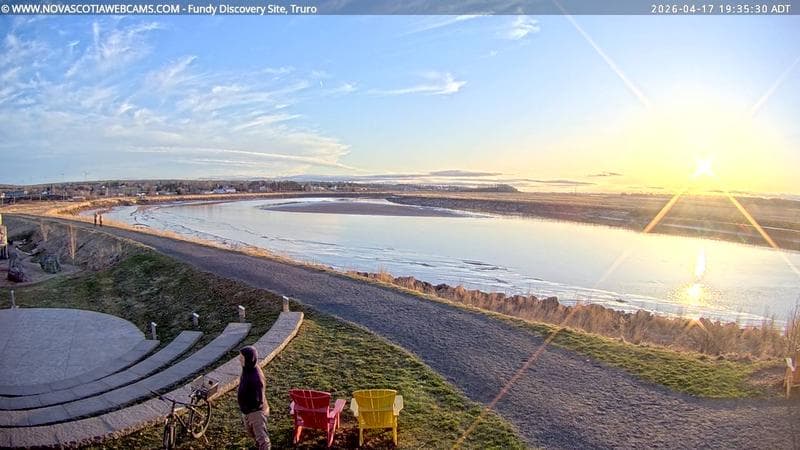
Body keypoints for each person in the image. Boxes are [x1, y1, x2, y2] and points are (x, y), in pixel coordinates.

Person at [238, 345, 270, 450]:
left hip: (255, 412)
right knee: (252, 433)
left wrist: (249, 409)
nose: (239, 359)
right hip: (248, 411)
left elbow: (258, 399)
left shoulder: (256, 378)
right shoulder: (247, 369)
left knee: (262, 438)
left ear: (248, 359)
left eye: (242, 358)